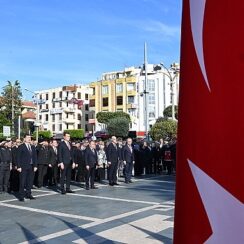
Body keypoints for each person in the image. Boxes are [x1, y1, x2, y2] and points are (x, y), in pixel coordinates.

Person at [17, 134, 37, 201]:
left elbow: (35, 157)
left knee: (30, 181)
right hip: (23, 167)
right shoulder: (21, 146)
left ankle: (28, 194)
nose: (29, 139)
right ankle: (21, 196)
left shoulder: (32, 146)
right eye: (28, 137)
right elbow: (18, 157)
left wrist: (35, 166)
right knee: (22, 182)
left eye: (30, 138)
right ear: (24, 139)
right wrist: (19, 166)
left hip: (31, 166)